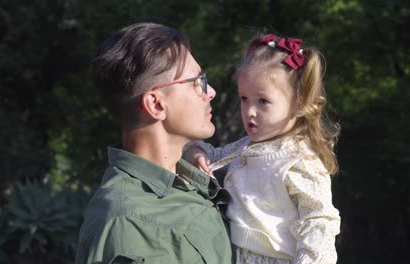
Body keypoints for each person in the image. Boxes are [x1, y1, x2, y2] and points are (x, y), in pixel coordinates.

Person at [76, 22, 232, 264]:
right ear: (156, 105)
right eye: (197, 82)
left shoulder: (187, 177)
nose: (209, 91)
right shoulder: (129, 224)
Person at [184, 33, 341, 263]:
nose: (249, 111)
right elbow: (212, 156)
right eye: (244, 98)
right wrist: (194, 152)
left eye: (263, 101)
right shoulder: (246, 146)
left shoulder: (299, 160)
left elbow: (318, 222)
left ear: (298, 104)